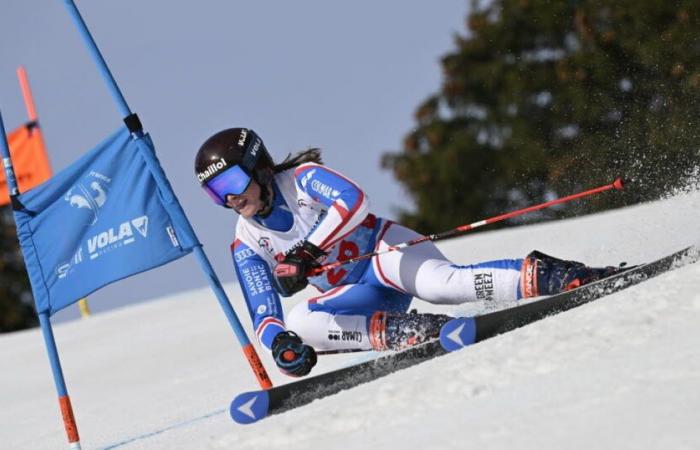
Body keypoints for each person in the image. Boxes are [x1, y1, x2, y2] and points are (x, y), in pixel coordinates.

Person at [194, 128, 623, 378]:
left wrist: (307, 252)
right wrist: (281, 344)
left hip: (386, 252)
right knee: (300, 321)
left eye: (231, 183)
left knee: (443, 285)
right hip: (360, 297)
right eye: (216, 193)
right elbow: (262, 310)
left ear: (260, 168)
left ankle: (557, 276)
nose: (229, 199)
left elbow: (352, 200)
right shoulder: (246, 241)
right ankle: (412, 331)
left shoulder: (302, 179)